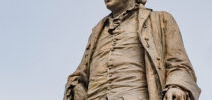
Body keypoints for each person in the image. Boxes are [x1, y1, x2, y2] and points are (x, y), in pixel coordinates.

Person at [64, 0, 200, 100]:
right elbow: (80, 77)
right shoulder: (97, 32)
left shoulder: (160, 20)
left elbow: (179, 65)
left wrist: (176, 86)